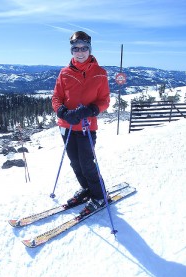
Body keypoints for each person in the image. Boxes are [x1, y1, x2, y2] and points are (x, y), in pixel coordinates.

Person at [52, 31, 110, 215]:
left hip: (86, 126)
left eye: (84, 48)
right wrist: (62, 112)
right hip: (67, 125)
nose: (80, 52)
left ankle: (99, 196)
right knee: (75, 163)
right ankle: (87, 189)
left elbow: (104, 100)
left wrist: (91, 110)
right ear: (72, 51)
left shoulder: (100, 73)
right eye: (76, 48)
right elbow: (56, 97)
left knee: (86, 163)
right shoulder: (65, 73)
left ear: (89, 49)